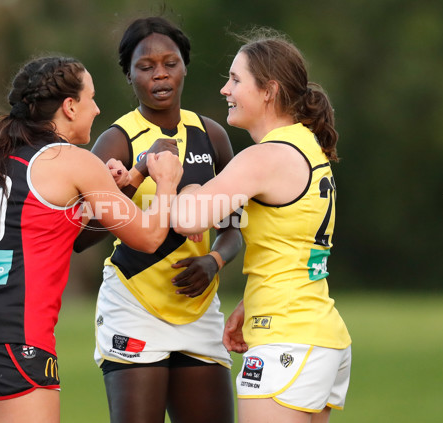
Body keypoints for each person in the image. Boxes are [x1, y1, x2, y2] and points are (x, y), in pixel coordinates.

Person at [0, 55, 182, 423]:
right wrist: (165, 180)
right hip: (15, 338)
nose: (97, 109)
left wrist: (122, 183)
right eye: (91, 99)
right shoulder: (70, 158)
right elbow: (147, 237)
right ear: (69, 106)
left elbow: (46, 231)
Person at [170, 28, 352, 423]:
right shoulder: (306, 144)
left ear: (268, 91)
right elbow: (292, 250)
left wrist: (172, 180)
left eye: (235, 80)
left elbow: (188, 219)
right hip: (319, 336)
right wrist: (249, 305)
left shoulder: (266, 156)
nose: (225, 90)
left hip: (286, 340)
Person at [73, 16, 242, 423]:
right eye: (146, 67)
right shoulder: (117, 140)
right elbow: (78, 237)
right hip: (134, 304)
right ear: (129, 75)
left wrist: (213, 261)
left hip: (199, 310)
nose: (160, 74)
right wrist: (133, 181)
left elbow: (235, 229)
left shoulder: (212, 135)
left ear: (185, 66)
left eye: (170, 63)